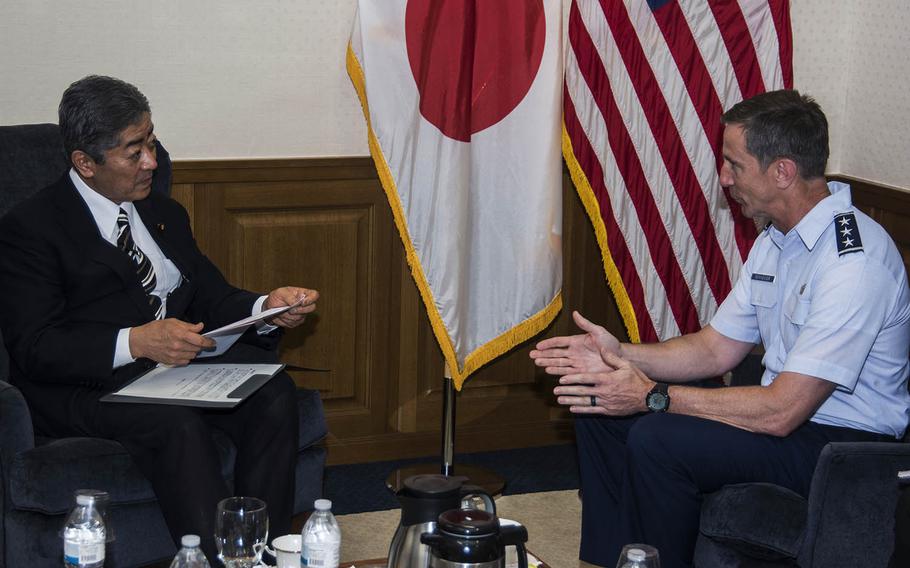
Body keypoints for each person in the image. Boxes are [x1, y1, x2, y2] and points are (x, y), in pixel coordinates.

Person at [530, 90, 910, 568]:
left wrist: (654, 395)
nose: (724, 177)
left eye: (735, 164)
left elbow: (782, 412)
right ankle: (621, 561)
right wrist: (620, 355)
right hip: (790, 426)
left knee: (658, 438)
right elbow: (713, 350)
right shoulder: (777, 241)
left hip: (842, 450)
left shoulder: (855, 263)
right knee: (600, 407)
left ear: (783, 172)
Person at [0, 75, 320, 563]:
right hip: (84, 387)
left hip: (168, 373)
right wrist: (137, 342)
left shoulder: (162, 212)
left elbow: (212, 298)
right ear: (85, 163)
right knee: (174, 425)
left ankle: (260, 553)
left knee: (272, 392)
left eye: (150, 141)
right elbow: (36, 347)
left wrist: (266, 308)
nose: (152, 161)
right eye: (134, 152)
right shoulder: (31, 229)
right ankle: (215, 560)